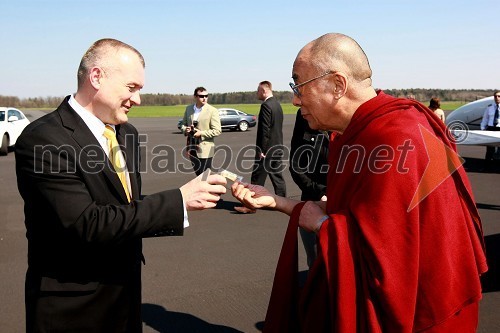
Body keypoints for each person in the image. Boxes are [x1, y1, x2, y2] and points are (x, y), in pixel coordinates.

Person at [232, 33, 487, 332]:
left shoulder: (396, 138)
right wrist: (275, 201)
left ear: (338, 85)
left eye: (299, 85)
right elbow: (356, 220)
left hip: (422, 314)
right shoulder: (360, 132)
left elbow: (389, 261)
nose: (295, 99)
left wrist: (322, 226)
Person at [15, 38, 227, 332]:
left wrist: (189, 200)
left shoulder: (126, 134)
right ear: (97, 77)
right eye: (132, 88)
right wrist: (177, 201)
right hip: (73, 309)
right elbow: (86, 223)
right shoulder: (44, 139)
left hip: (125, 299)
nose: (138, 99)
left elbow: (124, 209)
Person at [289, 108, 329, 268]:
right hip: (312, 201)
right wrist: (320, 193)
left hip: (341, 203)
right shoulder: (303, 123)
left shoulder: (343, 130)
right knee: (314, 258)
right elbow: (296, 167)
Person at [181, 87, 221, 176]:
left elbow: (217, 130)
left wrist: (201, 133)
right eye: (201, 96)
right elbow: (182, 125)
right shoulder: (189, 109)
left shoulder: (212, 111)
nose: (204, 98)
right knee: (198, 175)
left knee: (205, 177)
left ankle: (212, 190)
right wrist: (186, 130)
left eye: (206, 96)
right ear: (195, 96)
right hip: (192, 148)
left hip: (206, 148)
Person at [479, 91, 500, 169]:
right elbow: (485, 118)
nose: (497, 98)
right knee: (490, 148)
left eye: (499, 96)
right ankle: (487, 166)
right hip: (491, 128)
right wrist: (483, 128)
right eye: (495, 96)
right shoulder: (489, 107)